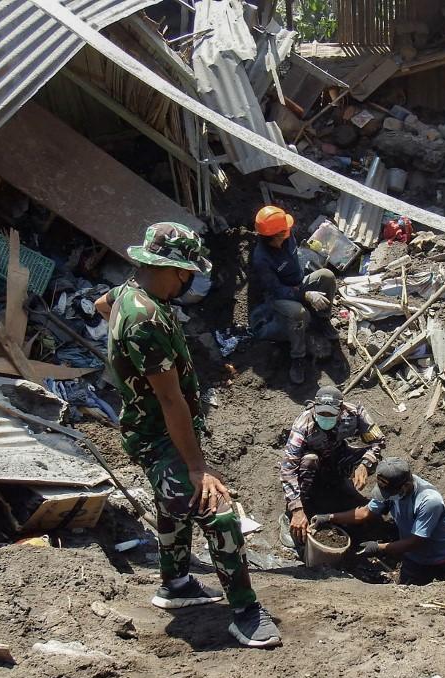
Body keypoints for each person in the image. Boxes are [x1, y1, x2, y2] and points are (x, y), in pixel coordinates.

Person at [95, 222, 280, 649]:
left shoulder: (126, 293)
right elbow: (170, 399)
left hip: (147, 427)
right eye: (188, 274)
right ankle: (245, 613)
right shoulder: (145, 321)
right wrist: (198, 468)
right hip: (158, 434)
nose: (189, 282)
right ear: (175, 270)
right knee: (216, 510)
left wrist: (125, 368)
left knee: (173, 504)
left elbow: (101, 306)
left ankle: (176, 583)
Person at [311, 459, 445, 586]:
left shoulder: (429, 501)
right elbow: (365, 513)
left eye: (389, 493)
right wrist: (329, 517)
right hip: (415, 560)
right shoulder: (391, 489)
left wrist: (378, 547)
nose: (386, 496)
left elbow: (416, 541)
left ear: (406, 485)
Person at [280, 386, 385, 548]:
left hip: (337, 456)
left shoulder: (354, 413)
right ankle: (295, 512)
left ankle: (339, 484)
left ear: (341, 409)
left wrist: (364, 464)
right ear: (315, 407)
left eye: (331, 414)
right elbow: (288, 468)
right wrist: (296, 509)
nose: (325, 417)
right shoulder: (303, 423)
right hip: (311, 464)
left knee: (375, 460)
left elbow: (378, 441)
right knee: (310, 460)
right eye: (322, 414)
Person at [249, 205, 338, 384]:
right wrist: (306, 296)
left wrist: (305, 289)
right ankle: (298, 357)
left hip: (298, 284)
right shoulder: (261, 259)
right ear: (272, 237)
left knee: (327, 276)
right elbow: (276, 290)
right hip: (277, 297)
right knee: (299, 313)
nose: (288, 232)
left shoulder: (287, 238)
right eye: (284, 230)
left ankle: (322, 319)